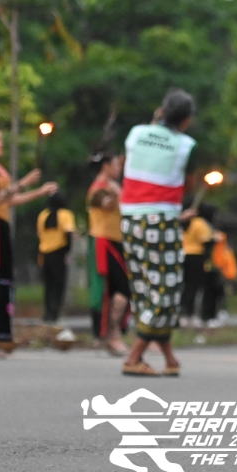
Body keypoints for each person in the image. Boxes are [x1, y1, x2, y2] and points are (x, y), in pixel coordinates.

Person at [119, 90, 198, 377]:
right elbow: (188, 185)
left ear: (161, 111)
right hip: (161, 221)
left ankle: (169, 358)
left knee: (144, 287)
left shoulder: (136, 133)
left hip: (130, 218)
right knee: (165, 289)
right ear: (186, 120)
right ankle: (134, 357)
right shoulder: (185, 145)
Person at [0, 126, 56, 357]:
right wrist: (24, 182)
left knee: (1, 280)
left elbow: (10, 200)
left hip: (0, 223)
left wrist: (39, 191)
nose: (0, 143)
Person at [87, 147, 129, 355]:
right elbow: (106, 204)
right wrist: (115, 193)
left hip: (117, 240)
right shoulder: (98, 189)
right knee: (115, 289)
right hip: (104, 242)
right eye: (116, 164)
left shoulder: (114, 187)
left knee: (120, 291)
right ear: (106, 166)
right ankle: (111, 335)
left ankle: (111, 334)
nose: (119, 169)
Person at [35, 192, 76, 324]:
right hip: (59, 253)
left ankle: (47, 312)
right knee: (59, 284)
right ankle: (55, 312)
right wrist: (68, 251)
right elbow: (69, 234)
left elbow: (40, 234)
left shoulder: (43, 215)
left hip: (44, 253)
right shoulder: (66, 215)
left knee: (48, 285)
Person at [178, 202, 215, 327]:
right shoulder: (199, 223)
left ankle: (183, 314)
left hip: (182, 256)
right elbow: (207, 240)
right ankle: (193, 315)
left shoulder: (180, 224)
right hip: (196, 257)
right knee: (194, 286)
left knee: (184, 286)